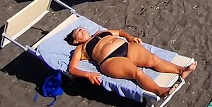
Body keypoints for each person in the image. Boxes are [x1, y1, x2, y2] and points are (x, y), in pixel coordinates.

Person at [66, 26, 195, 95]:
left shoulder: (101, 32)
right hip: (110, 60)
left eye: (82, 28)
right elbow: (72, 69)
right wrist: (88, 74)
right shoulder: (80, 48)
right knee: (137, 73)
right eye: (78, 31)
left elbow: (120, 32)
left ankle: (181, 70)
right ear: (75, 40)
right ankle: (159, 90)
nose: (82, 29)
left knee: (153, 59)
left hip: (126, 47)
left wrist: (130, 37)